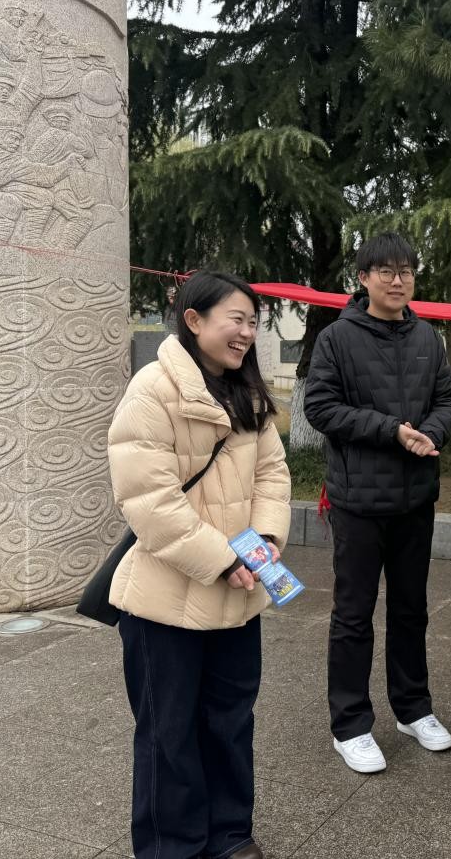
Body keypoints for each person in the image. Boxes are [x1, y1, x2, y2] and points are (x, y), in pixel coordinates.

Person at [107, 271, 291, 859]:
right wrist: (220, 558)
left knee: (231, 722)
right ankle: (173, 846)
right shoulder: (152, 390)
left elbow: (272, 472)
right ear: (194, 319)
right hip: (165, 599)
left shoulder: (248, 393)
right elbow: (148, 501)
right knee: (169, 733)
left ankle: (230, 835)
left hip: (238, 595)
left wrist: (266, 536)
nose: (246, 333)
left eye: (253, 323)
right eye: (236, 319)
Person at [304, 232, 451, 774]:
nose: (398, 281)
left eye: (406, 271)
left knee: (411, 609)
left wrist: (430, 432)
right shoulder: (337, 338)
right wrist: (390, 430)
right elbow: (320, 407)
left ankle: (413, 709)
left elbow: (447, 399)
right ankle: (350, 724)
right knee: (353, 614)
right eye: (386, 271)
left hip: (415, 498)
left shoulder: (427, 337)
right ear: (364, 278)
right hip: (358, 502)